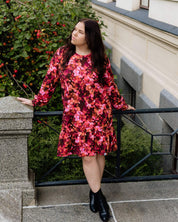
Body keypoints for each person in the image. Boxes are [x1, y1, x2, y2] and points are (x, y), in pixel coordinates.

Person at [18, 18, 135, 222]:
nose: (74, 34)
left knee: (98, 154)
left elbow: (109, 86)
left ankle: (93, 191)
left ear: (90, 37)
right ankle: (101, 199)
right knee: (88, 157)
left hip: (100, 114)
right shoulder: (63, 54)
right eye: (74, 30)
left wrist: (122, 105)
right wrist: (36, 100)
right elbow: (50, 81)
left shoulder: (99, 57)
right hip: (77, 117)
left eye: (80, 32)